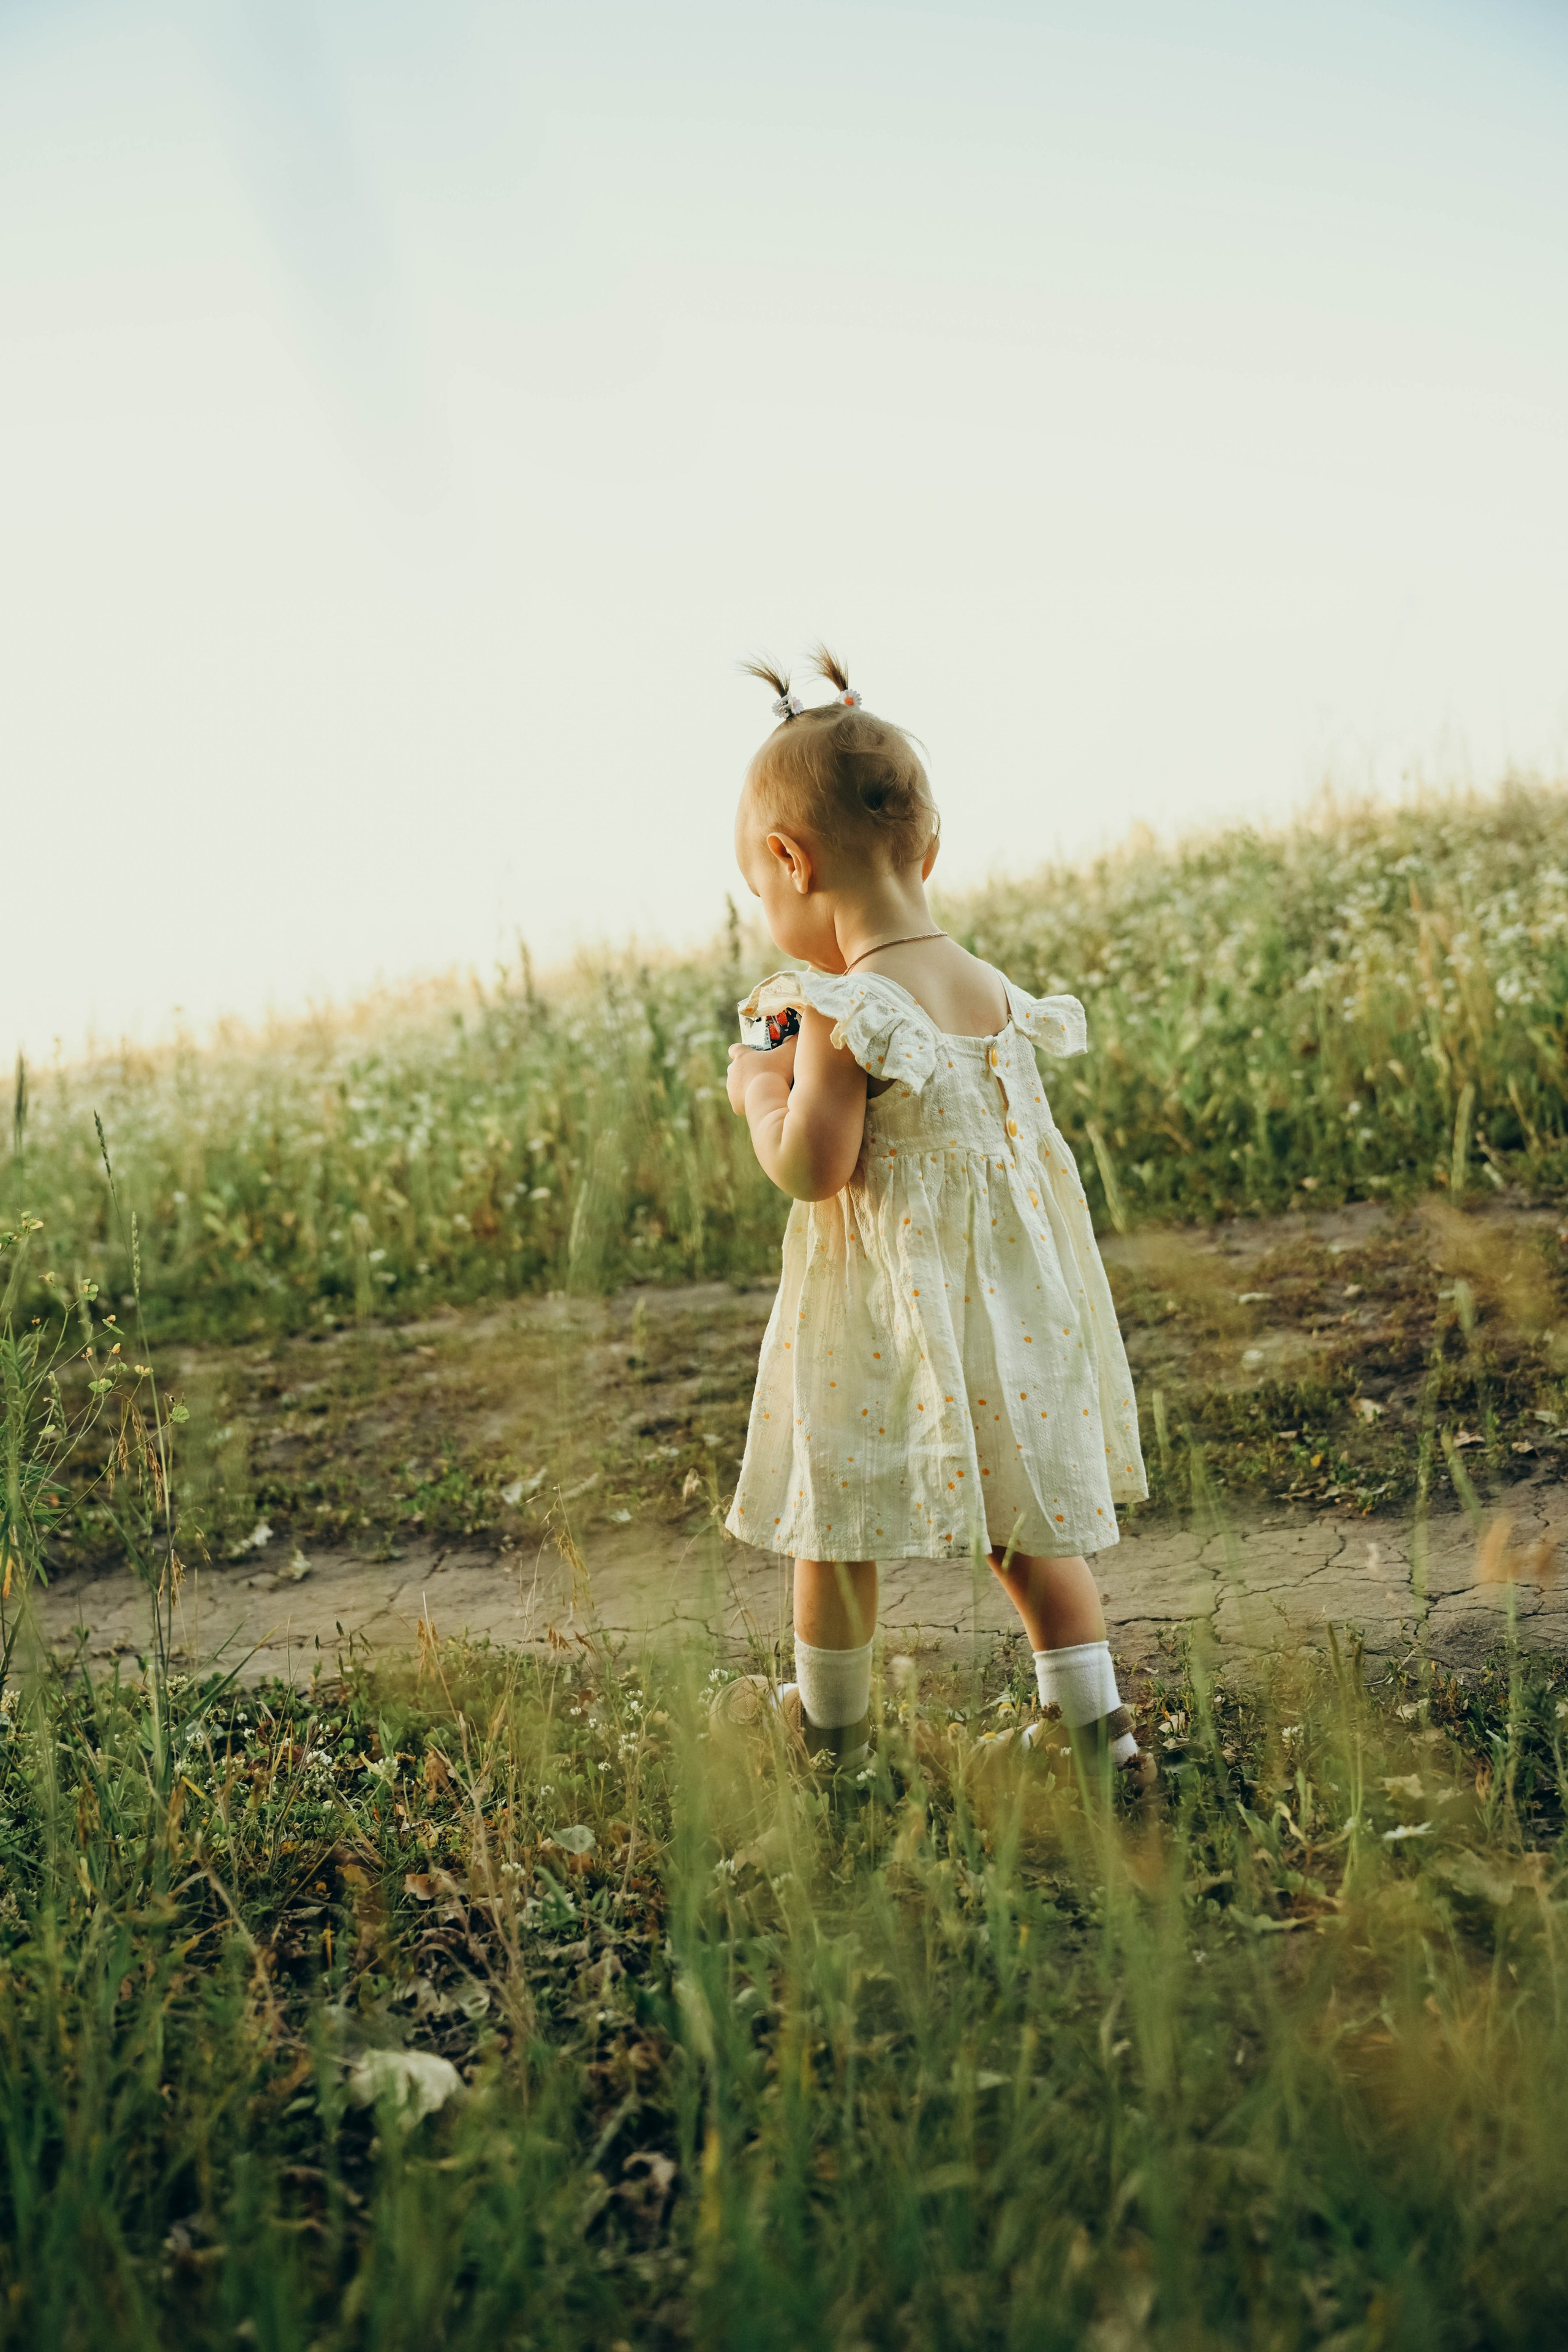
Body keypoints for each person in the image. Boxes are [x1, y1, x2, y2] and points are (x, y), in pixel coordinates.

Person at [719, 646, 1149, 1775]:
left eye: (763, 892)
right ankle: (1098, 1737)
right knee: (1031, 1529)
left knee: (835, 1519)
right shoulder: (995, 989)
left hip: (886, 1312)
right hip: (1012, 1311)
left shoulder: (842, 1005)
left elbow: (817, 1166)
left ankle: (832, 1734)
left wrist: (762, 1089)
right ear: (930, 849)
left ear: (788, 860)